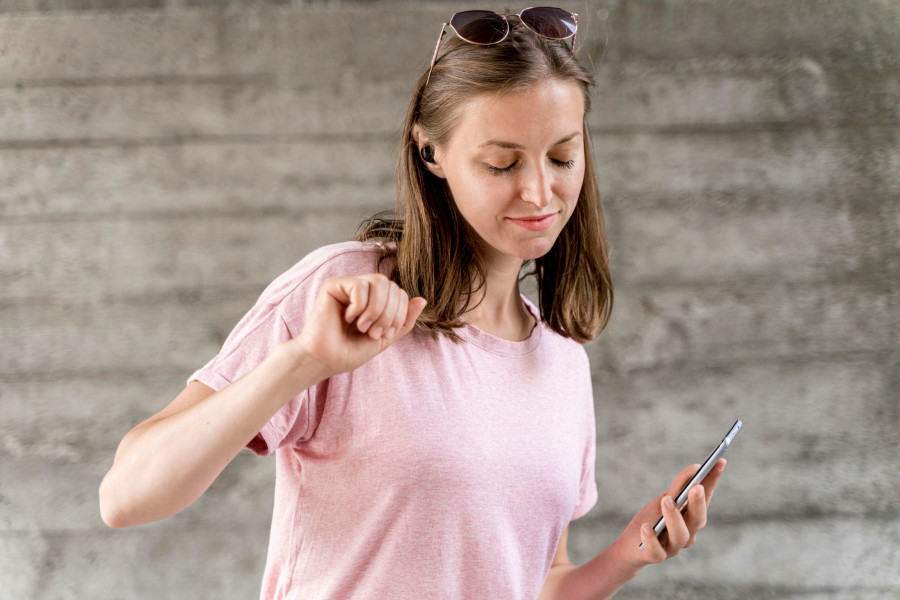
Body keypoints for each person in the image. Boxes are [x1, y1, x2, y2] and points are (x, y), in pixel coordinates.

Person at [99, 7, 726, 600]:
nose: (541, 190)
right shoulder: (343, 294)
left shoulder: (561, 361)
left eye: (563, 156)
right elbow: (125, 497)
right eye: (501, 162)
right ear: (432, 153)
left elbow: (533, 581)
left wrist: (627, 555)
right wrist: (304, 360)